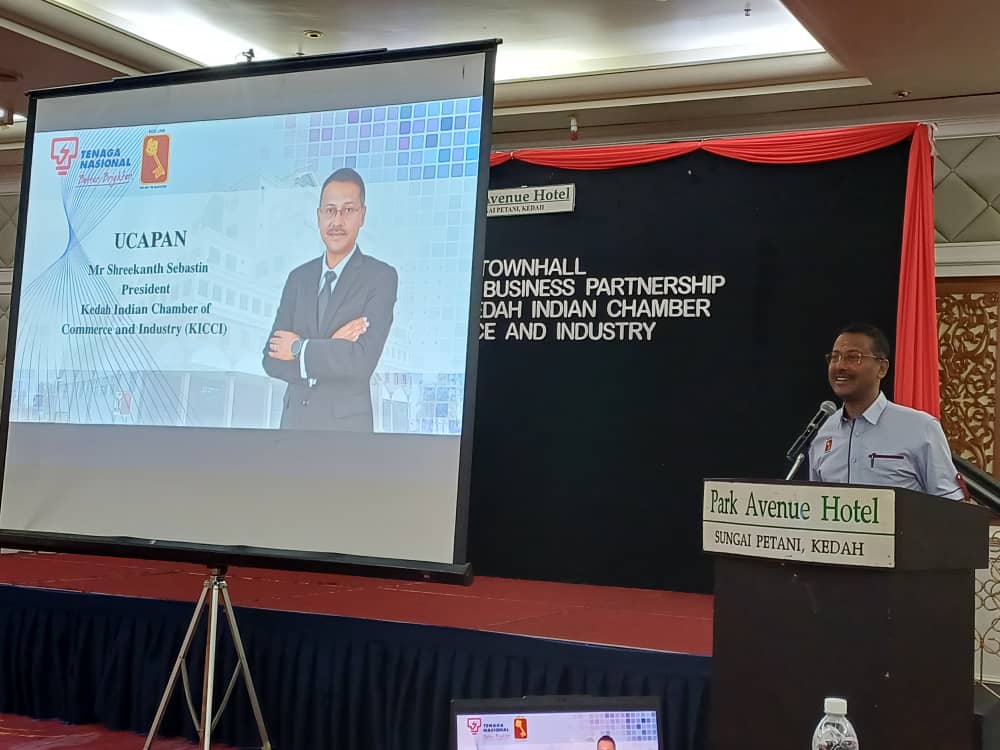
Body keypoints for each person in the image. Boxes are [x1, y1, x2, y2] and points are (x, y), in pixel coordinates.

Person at [263, 167, 398, 431]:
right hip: (293, 429)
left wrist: (298, 348)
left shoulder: (380, 277)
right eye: (330, 210)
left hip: (346, 434)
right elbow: (270, 359)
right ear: (318, 216)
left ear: (362, 215)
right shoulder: (298, 278)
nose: (337, 221)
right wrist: (332, 347)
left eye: (348, 210)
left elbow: (361, 361)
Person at [808, 322, 963, 499]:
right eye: (835, 357)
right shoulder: (823, 432)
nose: (840, 366)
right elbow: (815, 506)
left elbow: (950, 503)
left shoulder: (920, 427)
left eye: (853, 357)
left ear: (882, 368)